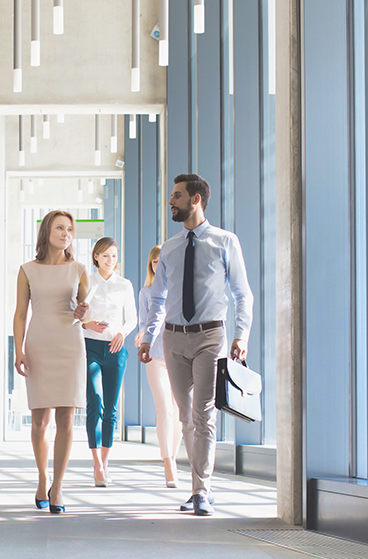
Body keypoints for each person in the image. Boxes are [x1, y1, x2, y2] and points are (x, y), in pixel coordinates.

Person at [137, 174, 253, 516]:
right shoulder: (170, 247)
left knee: (204, 414)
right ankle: (198, 486)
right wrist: (147, 337)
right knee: (185, 417)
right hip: (172, 339)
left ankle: (201, 490)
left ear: (195, 200)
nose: (171, 202)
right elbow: (157, 298)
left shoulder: (225, 241)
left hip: (210, 337)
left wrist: (241, 335)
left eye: (177, 196)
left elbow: (242, 294)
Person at [14, 210, 90, 514]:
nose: (66, 233)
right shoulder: (27, 270)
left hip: (70, 344)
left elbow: (87, 312)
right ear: (47, 231)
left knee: (66, 421)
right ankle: (42, 476)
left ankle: (57, 485)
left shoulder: (79, 269)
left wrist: (85, 313)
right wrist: (18, 350)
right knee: (39, 421)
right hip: (39, 344)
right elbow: (20, 313)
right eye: (60, 228)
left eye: (70, 229)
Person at [81, 237, 136, 487]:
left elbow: (132, 318)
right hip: (89, 346)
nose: (110, 260)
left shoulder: (124, 285)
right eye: (105, 256)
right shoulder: (85, 281)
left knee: (112, 408)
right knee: (95, 401)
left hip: (115, 348)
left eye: (114, 256)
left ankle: (105, 462)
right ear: (96, 257)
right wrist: (87, 323)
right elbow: (75, 313)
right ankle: (96, 465)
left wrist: (121, 333)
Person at [134, 244, 184, 488]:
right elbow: (144, 322)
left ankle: (172, 455)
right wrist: (143, 333)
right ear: (151, 264)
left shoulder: (179, 290)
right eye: (154, 261)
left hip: (178, 355)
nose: (158, 264)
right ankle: (168, 461)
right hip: (155, 356)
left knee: (179, 412)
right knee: (164, 408)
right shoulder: (146, 293)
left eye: (161, 260)